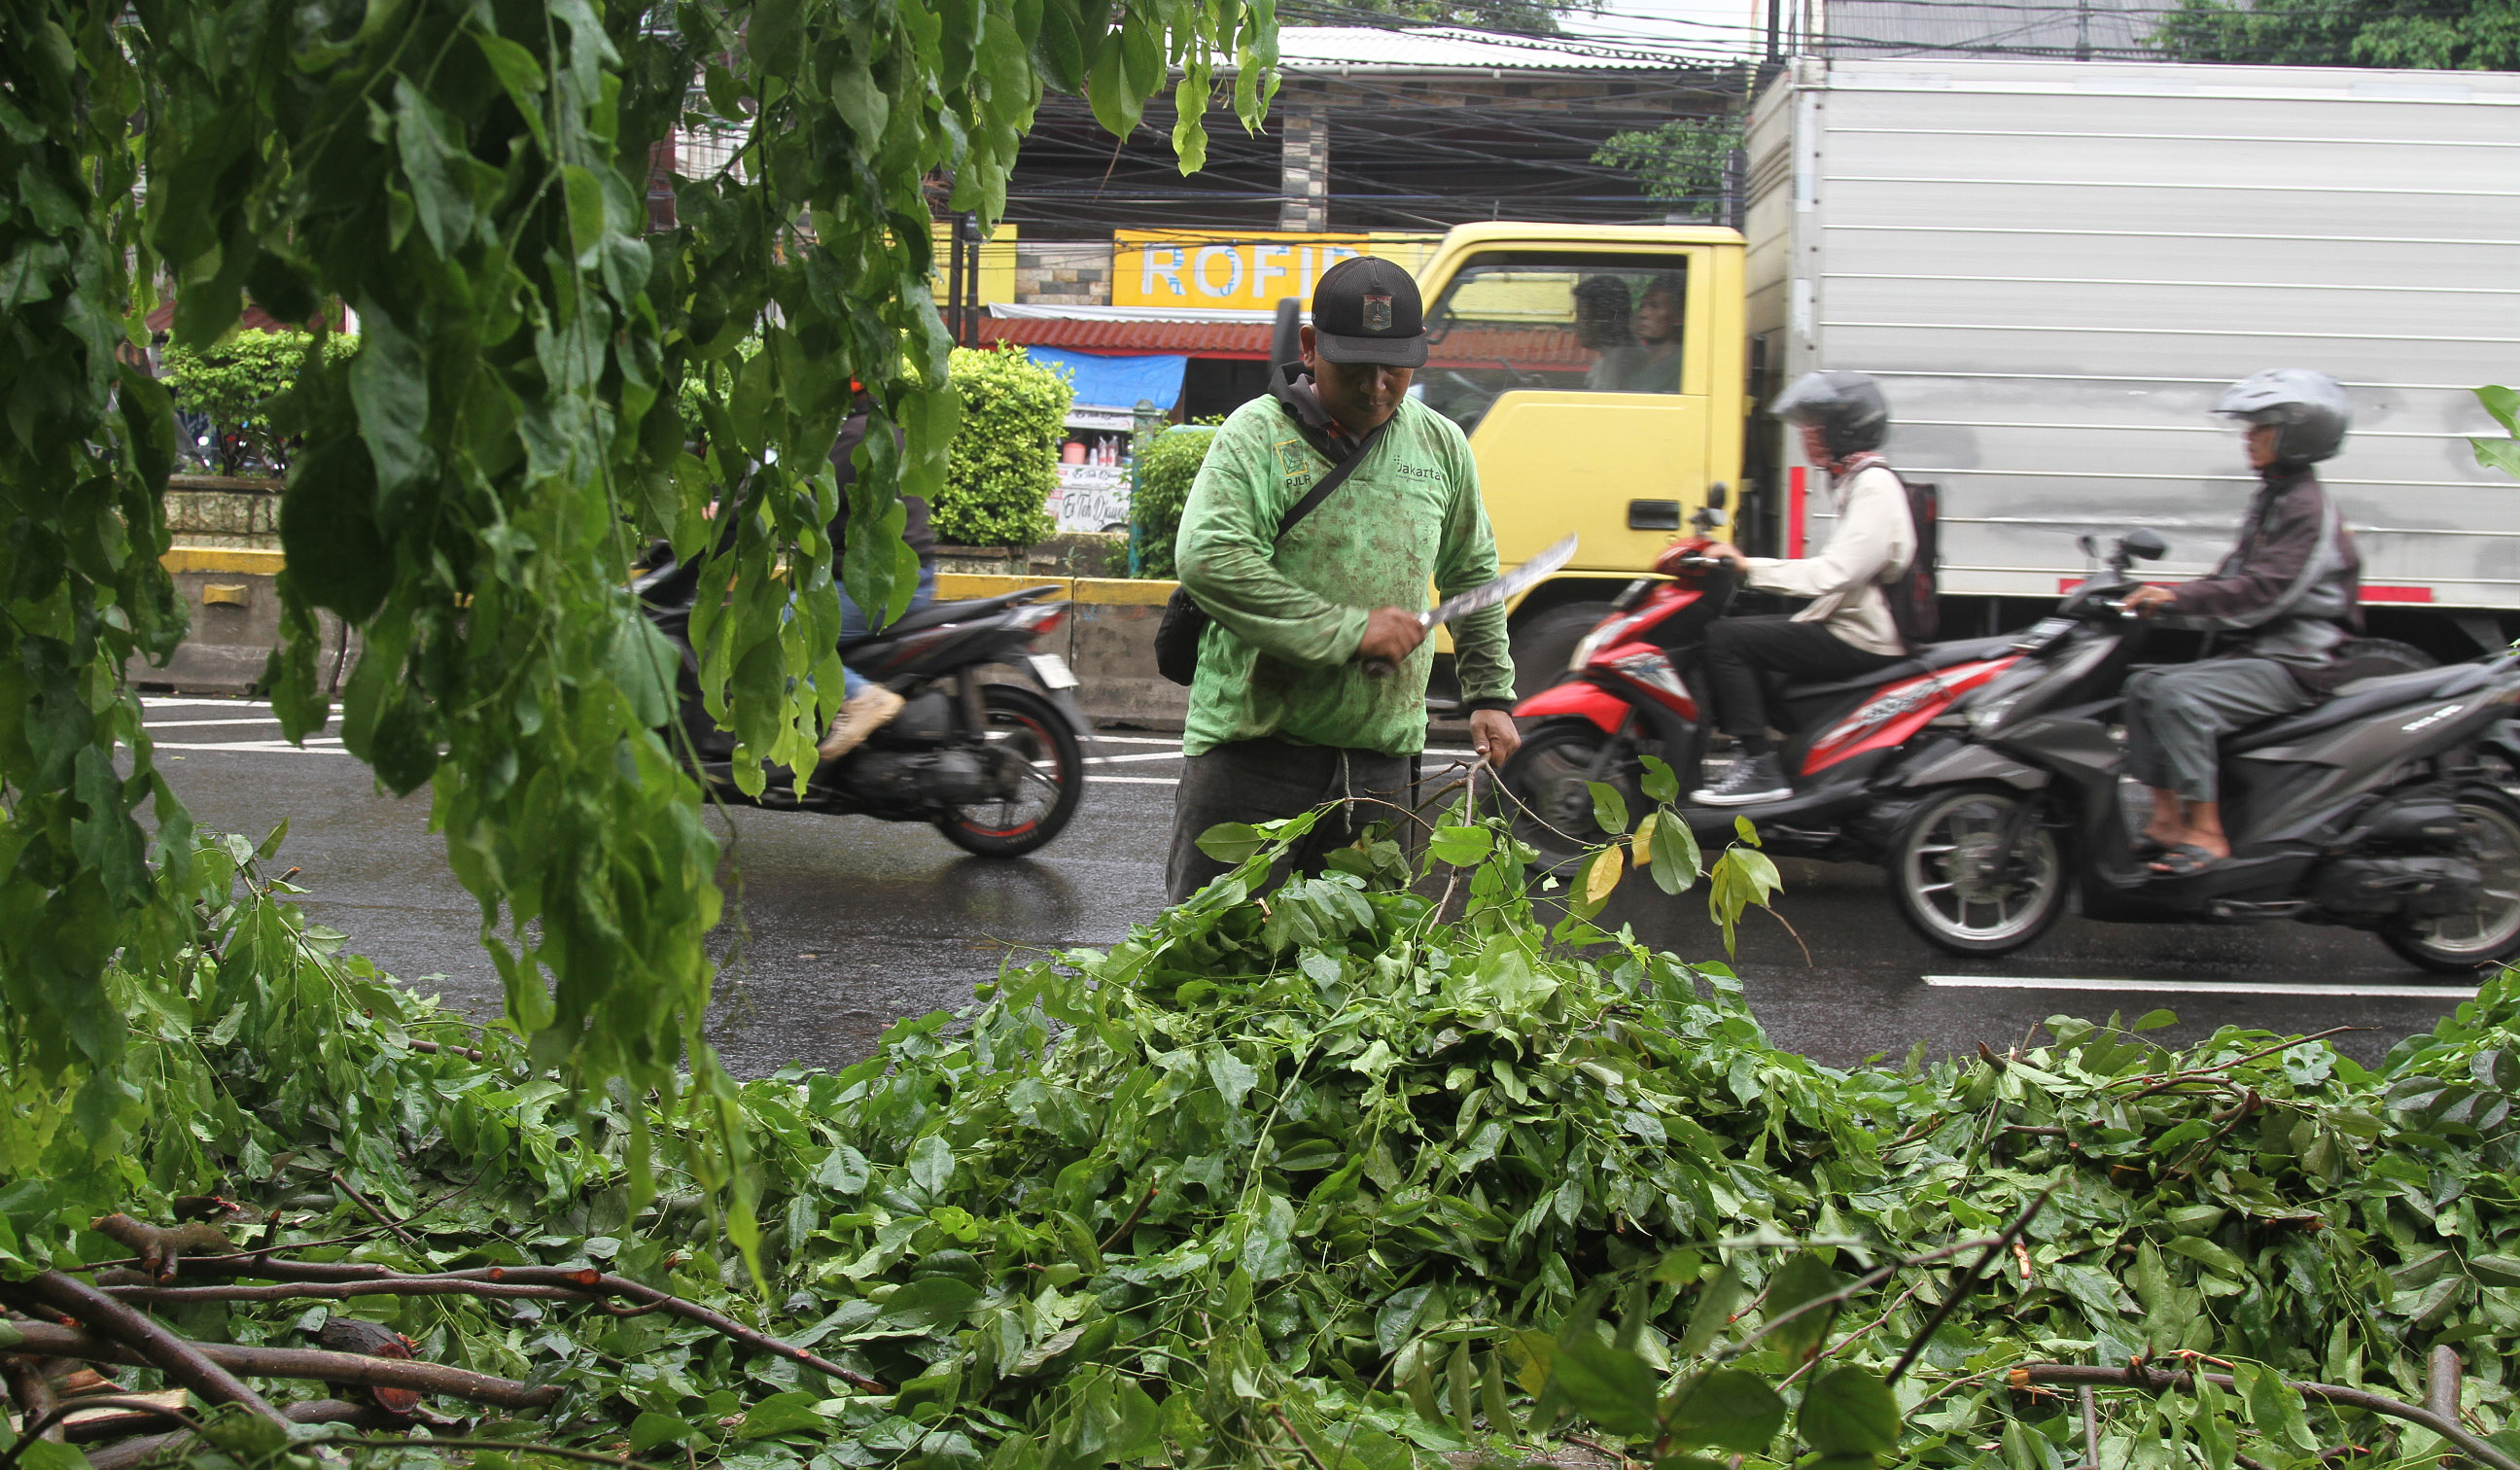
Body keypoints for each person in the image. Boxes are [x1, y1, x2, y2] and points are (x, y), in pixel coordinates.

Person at [1166, 256, 1522, 902]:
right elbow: (1210, 558)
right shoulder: (1257, 437)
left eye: (1396, 367)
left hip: (1380, 765)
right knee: (1217, 962)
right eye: (1356, 366)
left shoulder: (1441, 446)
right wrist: (1350, 631)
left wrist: (1490, 694)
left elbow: (1472, 571)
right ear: (1310, 347)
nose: (1378, 386)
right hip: (1252, 753)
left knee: (1362, 979)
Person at [2120, 368, 2362, 876]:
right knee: (2141, 685)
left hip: (2298, 662)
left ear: (2299, 435)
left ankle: (2208, 834)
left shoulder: (2306, 507)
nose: (2249, 439)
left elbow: (2262, 593)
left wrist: (2180, 601)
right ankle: (2167, 821)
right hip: (2263, 653)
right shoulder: (2275, 496)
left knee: (2179, 697)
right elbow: (2231, 576)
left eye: (2261, 428)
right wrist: (2164, 597)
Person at [1691, 370, 1915, 806]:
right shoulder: (1856, 479)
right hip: (1849, 621)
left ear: (1844, 429)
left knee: (1725, 640)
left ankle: (1760, 766)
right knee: (1744, 631)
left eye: (1816, 424)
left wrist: (1746, 566)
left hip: (1865, 636)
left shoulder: (1874, 486)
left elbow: (1833, 574)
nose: (1806, 435)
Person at [817, 397, 938, 761]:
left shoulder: (854, 438)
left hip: (877, 582)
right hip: (909, 574)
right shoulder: (890, 434)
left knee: (788, 635)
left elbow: (817, 504)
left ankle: (859, 696)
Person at [1586, 280, 1683, 394]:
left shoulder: (1682, 367)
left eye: (1654, 306)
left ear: (1679, 316)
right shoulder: (1638, 362)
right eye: (1642, 306)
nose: (1643, 314)